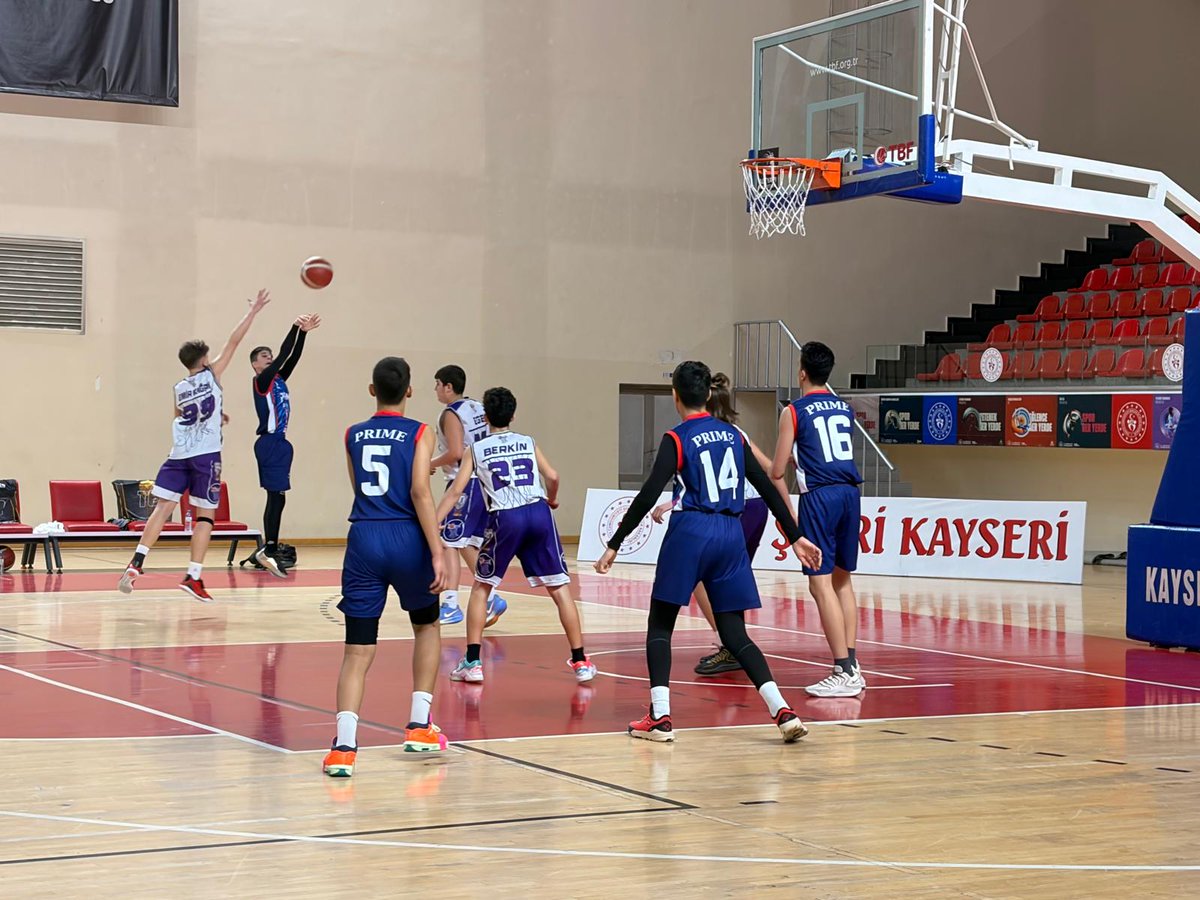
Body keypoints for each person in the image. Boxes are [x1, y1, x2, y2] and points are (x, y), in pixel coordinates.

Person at [594, 360, 821, 743]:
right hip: (730, 535)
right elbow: (766, 485)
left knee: (660, 626)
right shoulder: (733, 434)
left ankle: (660, 718)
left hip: (693, 531)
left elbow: (650, 492)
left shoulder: (677, 437)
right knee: (736, 634)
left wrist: (615, 542)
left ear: (675, 396)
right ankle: (782, 710)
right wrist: (794, 534)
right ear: (708, 394)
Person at [323, 357, 450, 778]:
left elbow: (357, 485)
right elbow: (419, 490)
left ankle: (343, 748)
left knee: (357, 651)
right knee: (427, 626)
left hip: (364, 536)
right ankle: (419, 725)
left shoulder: (352, 434)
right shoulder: (420, 431)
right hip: (406, 537)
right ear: (409, 391)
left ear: (372, 389)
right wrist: (436, 550)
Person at [118, 290, 271, 602]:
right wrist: (253, 311)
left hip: (178, 454)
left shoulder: (179, 388)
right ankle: (194, 576)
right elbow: (234, 341)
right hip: (205, 456)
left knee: (163, 508)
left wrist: (217, 415)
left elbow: (182, 418)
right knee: (204, 517)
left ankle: (137, 562)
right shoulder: (211, 374)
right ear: (203, 360)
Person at [438, 387, 596, 684]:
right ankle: (580, 661)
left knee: (482, 587)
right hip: (538, 512)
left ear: (485, 418)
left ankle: (472, 662)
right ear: (513, 415)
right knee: (560, 589)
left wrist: (433, 521)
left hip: (506, 516)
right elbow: (553, 476)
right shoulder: (527, 441)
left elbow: (457, 491)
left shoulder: (477, 449)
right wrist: (553, 499)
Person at [650, 372, 789, 677]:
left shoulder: (695, 433)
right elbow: (770, 472)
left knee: (703, 574)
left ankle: (729, 643)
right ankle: (732, 639)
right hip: (754, 508)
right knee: (722, 578)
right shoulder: (733, 432)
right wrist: (789, 515)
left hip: (735, 511)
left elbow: (703, 486)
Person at [771, 341, 866, 699]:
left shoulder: (793, 412)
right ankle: (853, 664)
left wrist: (795, 461)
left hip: (820, 498)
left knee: (819, 584)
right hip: (850, 493)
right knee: (843, 581)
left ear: (801, 372)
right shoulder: (844, 408)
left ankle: (842, 669)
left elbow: (778, 470)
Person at [429, 365, 507, 627]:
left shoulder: (451, 413)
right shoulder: (476, 407)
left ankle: (451, 603)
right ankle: (492, 596)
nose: (436, 389)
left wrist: (430, 463)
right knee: (466, 543)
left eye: (438, 384)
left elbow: (455, 453)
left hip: (465, 482)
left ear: (448, 386)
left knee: (448, 540)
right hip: (484, 483)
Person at [248, 313, 321, 576]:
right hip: (269, 443)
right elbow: (282, 355)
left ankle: (270, 547)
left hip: (280, 443)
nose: (269, 358)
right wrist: (294, 326)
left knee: (279, 498)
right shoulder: (262, 380)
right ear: (256, 365)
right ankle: (268, 549)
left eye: (269, 355)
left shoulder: (278, 380)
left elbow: (293, 358)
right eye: (264, 356)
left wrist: (304, 334)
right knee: (275, 496)